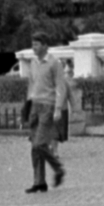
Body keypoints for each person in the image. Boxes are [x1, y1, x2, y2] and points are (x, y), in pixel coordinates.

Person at [23, 32, 69, 193]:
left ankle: (58, 169)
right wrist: (27, 108)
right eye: (33, 44)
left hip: (48, 107)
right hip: (35, 106)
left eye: (36, 44)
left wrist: (57, 109)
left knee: (39, 143)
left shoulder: (54, 63)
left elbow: (60, 87)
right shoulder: (33, 63)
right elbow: (31, 86)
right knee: (34, 147)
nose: (33, 47)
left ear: (45, 46)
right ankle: (39, 181)